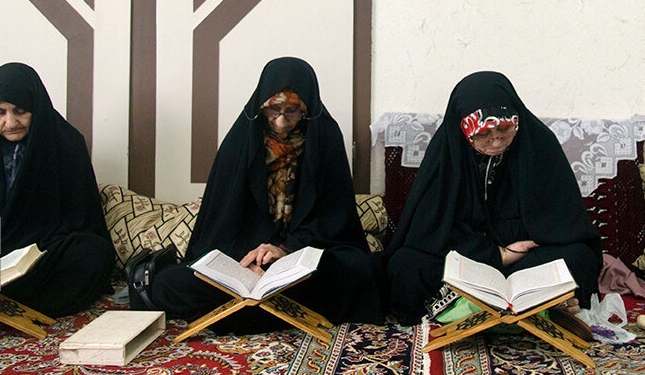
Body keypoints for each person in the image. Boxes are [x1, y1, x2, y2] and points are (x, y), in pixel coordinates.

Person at [149, 57, 385, 329]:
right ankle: (275, 310)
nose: (282, 122)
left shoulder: (325, 136)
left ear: (306, 109)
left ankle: (245, 313)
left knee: (361, 270)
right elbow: (222, 220)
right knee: (167, 283)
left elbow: (333, 215)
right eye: (274, 110)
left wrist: (285, 250)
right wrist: (248, 260)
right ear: (262, 106)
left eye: (292, 111)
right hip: (244, 260)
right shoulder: (242, 140)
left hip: (301, 256)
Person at [383, 71, 602, 326]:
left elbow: (564, 222)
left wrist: (519, 247)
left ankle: (477, 309)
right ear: (463, 129)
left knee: (579, 258)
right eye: (484, 133)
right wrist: (497, 255)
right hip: (468, 255)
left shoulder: (540, 144)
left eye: (505, 129)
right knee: (406, 266)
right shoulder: (447, 153)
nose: (496, 141)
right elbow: (431, 228)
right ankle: (535, 309)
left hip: (527, 259)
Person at [0, 62, 114, 317]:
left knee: (93, 252)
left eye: (20, 111)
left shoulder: (67, 143)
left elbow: (81, 217)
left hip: (44, 250)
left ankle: (15, 303)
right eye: (1, 112)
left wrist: (40, 244)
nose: (10, 122)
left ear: (36, 107)